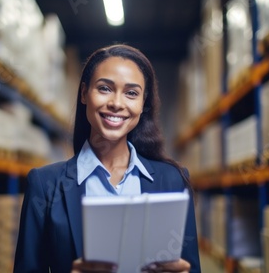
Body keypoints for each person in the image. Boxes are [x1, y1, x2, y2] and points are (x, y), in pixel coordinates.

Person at [13, 44, 201, 273]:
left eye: (131, 93)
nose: (117, 103)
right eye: (104, 88)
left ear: (143, 104)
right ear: (84, 93)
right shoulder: (44, 185)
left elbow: (189, 267)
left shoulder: (174, 181)